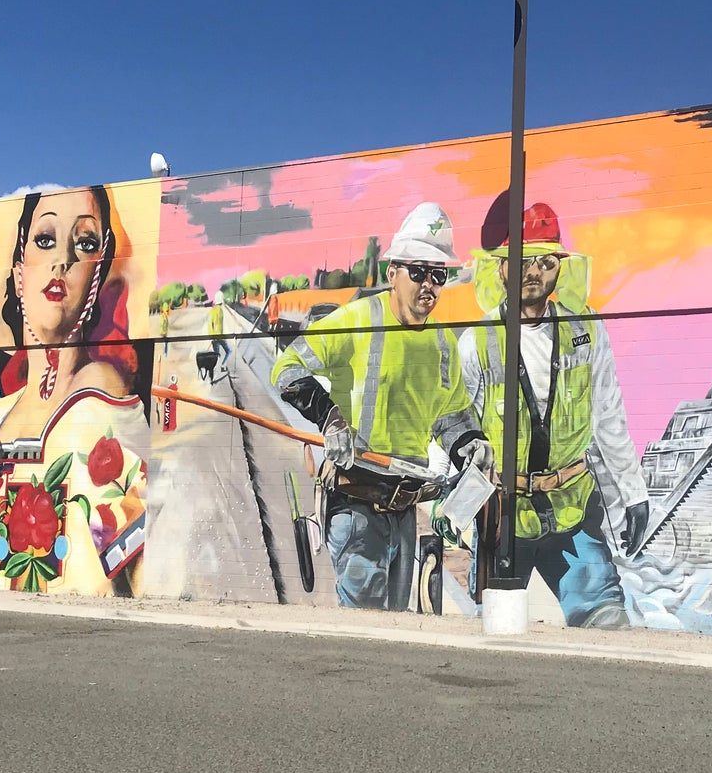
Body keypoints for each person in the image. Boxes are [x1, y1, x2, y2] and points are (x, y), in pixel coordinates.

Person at [0, 186, 150, 595]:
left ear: (96, 278)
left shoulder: (109, 408)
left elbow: (141, 583)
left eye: (85, 243)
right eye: (45, 240)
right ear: (19, 274)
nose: (63, 259)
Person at [271, 202, 494, 610]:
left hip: (405, 510)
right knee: (362, 631)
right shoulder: (357, 320)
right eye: (419, 271)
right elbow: (287, 368)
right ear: (393, 273)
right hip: (357, 505)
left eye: (439, 275)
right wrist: (330, 418)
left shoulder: (442, 343)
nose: (429, 284)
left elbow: (451, 416)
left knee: (393, 631)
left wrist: (472, 443)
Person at [459, 202, 650, 629]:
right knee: (494, 637)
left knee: (608, 626)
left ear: (560, 268)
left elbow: (609, 417)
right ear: (502, 269)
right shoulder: (477, 342)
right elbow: (457, 425)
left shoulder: (585, 332)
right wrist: (447, 511)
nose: (532, 271)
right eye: (521, 261)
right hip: (504, 516)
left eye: (545, 261)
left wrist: (633, 492)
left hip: (574, 511)